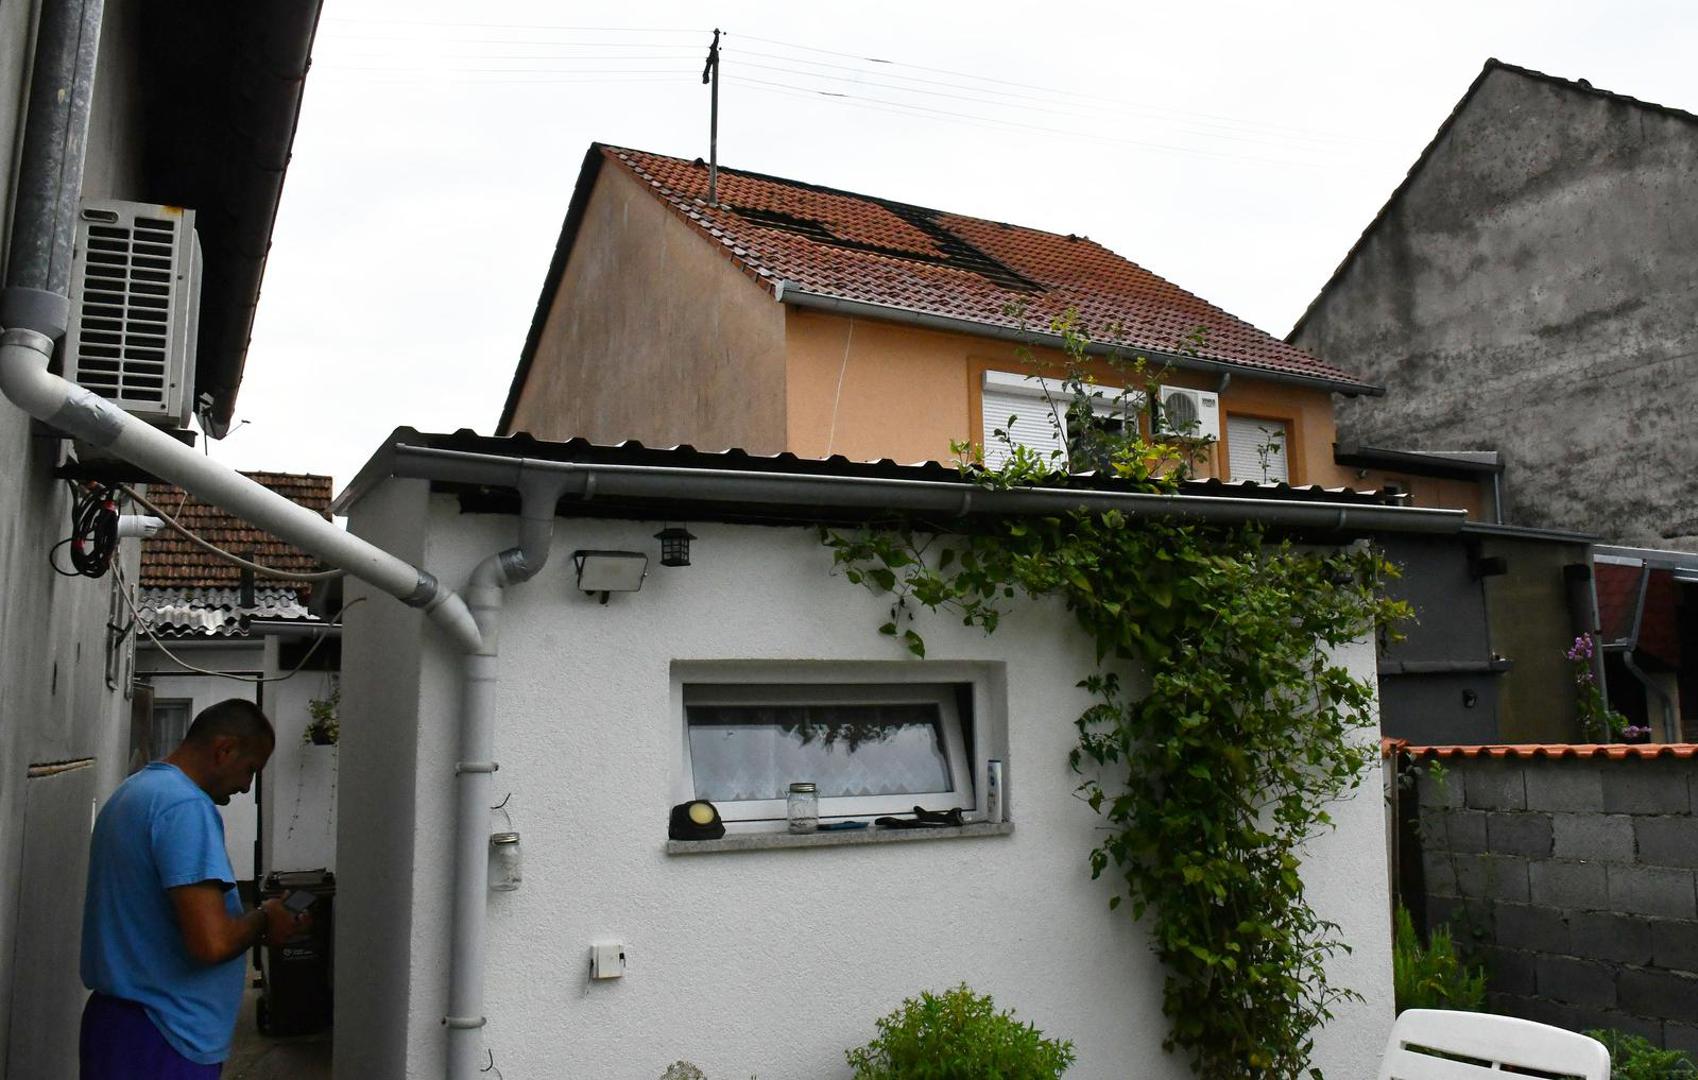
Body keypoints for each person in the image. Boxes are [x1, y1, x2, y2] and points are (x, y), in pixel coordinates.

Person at [79, 698, 309, 1078]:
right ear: (224, 750)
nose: (246, 786)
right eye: (250, 770)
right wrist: (267, 917)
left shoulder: (136, 791)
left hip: (122, 1025)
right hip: (161, 1035)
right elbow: (211, 943)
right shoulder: (185, 807)